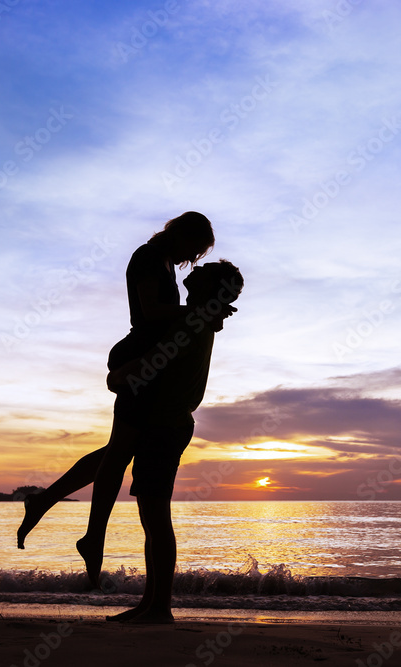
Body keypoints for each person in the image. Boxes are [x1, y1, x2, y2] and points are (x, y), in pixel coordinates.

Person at [16, 212, 233, 553]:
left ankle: (50, 506)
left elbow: (168, 317)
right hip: (139, 359)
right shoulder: (149, 257)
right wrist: (201, 313)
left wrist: (202, 316)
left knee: (118, 450)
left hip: (147, 363)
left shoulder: (163, 261)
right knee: (118, 453)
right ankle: (91, 536)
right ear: (181, 235)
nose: (191, 261)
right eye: (194, 250)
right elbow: (151, 312)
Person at [104, 260, 244, 624]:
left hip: (165, 426)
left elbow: (150, 366)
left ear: (208, 288)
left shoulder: (191, 322)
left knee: (156, 518)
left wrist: (115, 376)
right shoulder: (198, 318)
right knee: (151, 519)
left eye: (203, 271)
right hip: (165, 425)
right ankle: (151, 604)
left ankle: (160, 607)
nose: (193, 271)